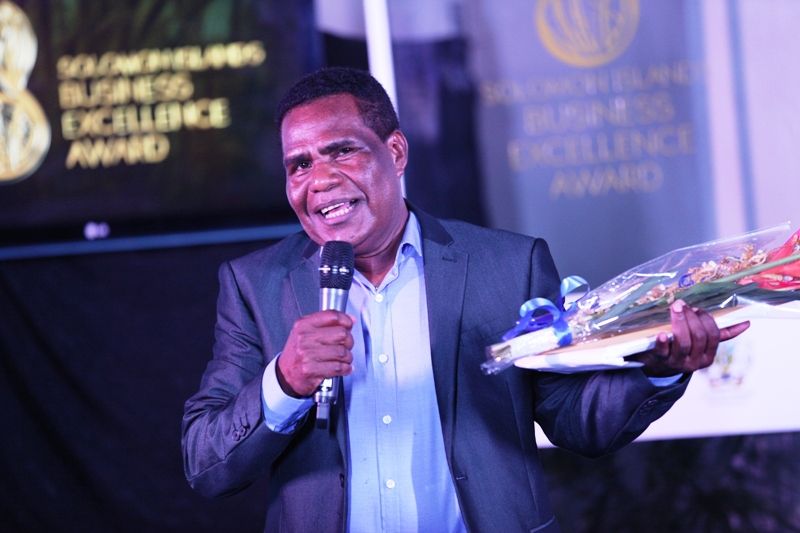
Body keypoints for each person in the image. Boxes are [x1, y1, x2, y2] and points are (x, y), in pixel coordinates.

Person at [181, 67, 749, 532]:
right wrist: (285, 381)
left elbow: (576, 422)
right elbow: (206, 464)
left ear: (395, 152)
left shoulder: (507, 266)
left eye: (342, 151)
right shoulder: (256, 285)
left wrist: (659, 372)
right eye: (299, 164)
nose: (319, 179)